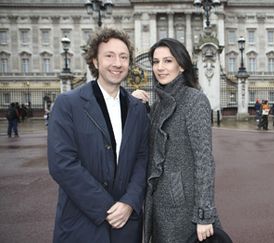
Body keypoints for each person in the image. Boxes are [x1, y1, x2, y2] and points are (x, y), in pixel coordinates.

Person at [47, 28, 150, 243]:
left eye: (124, 57)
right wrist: (106, 207)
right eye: (109, 56)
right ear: (95, 61)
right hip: (81, 222)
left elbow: (142, 159)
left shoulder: (137, 108)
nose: (117, 63)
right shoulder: (68, 104)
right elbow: (62, 164)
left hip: (126, 224)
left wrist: (130, 202)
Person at [132, 38, 221, 243]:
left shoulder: (194, 100)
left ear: (181, 66)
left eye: (167, 61)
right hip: (158, 204)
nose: (160, 68)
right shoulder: (158, 104)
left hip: (183, 207)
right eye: (155, 62)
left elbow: (204, 160)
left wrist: (204, 214)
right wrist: (136, 106)